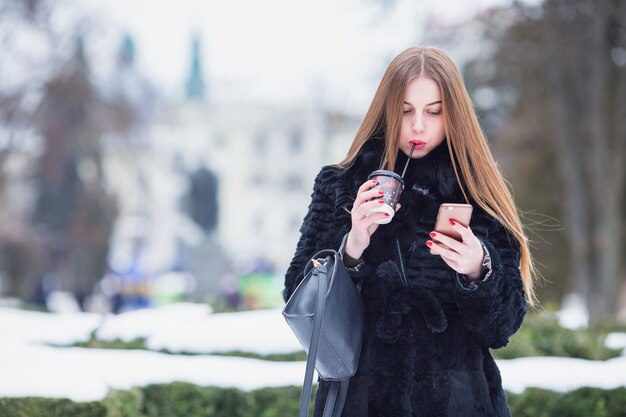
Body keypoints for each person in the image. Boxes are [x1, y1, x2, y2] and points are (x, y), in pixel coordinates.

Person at [283, 46, 536, 417]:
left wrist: (478, 269)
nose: (418, 125)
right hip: (359, 401)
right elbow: (300, 303)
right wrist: (352, 246)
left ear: (454, 115)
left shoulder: (478, 193)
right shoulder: (342, 186)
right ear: (386, 111)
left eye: (434, 111)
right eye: (405, 111)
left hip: (458, 402)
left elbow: (503, 327)